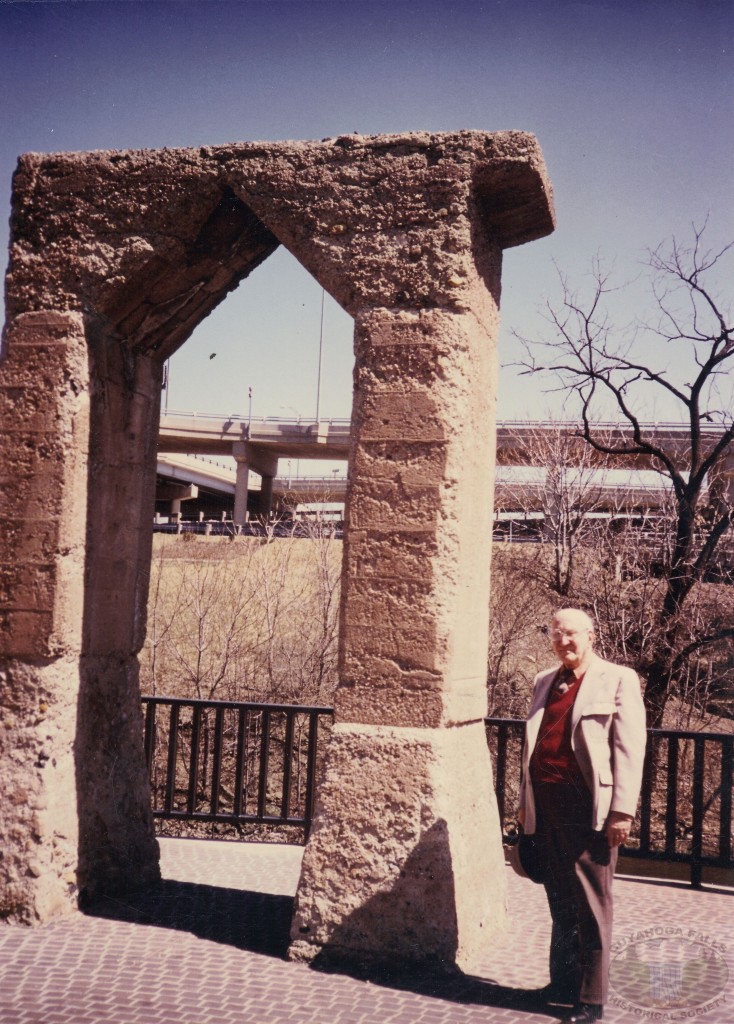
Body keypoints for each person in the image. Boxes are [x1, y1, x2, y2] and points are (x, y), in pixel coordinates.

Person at [517, 608, 647, 1024]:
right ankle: (563, 985)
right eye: (556, 635)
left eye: (571, 634)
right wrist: (524, 803)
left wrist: (622, 811)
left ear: (590, 635)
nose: (564, 642)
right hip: (547, 805)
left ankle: (592, 999)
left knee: (592, 904)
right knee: (559, 900)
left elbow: (629, 750)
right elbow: (533, 747)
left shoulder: (618, 678)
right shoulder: (543, 680)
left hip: (589, 811)